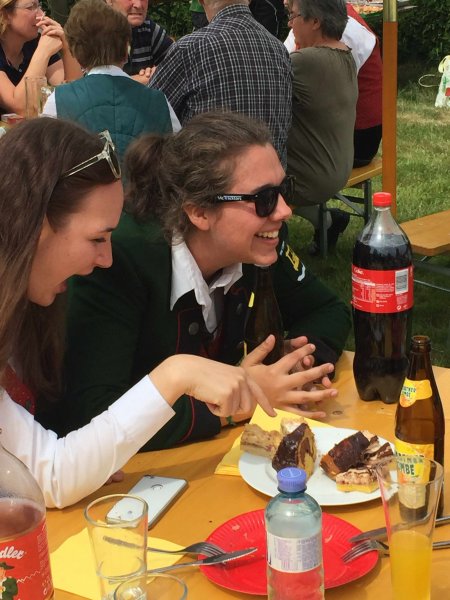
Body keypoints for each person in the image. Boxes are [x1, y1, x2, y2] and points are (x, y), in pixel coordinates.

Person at [0, 117, 275, 509]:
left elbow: (45, 445)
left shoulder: (27, 309)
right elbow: (50, 478)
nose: (106, 258)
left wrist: (94, 454)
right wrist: (177, 374)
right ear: (36, 226)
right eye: (97, 238)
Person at [64, 111, 351, 450]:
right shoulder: (119, 260)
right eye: (263, 199)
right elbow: (93, 414)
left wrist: (296, 366)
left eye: (282, 190)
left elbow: (329, 310)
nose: (284, 210)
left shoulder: (258, 244)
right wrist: (240, 402)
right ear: (199, 212)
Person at [149, 0, 292, 167]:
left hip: (210, 180)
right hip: (271, 179)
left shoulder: (190, 48)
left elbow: (146, 114)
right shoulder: (280, 50)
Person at [42, 0, 179, 160]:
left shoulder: (58, 100)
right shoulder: (159, 101)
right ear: (126, 51)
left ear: (76, 54)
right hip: (144, 176)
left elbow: (44, 160)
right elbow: (179, 157)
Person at [285, 0, 358, 255]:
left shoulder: (306, 61)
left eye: (293, 16)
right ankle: (326, 221)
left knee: (240, 171)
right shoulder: (345, 53)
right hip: (337, 169)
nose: (290, 24)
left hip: (311, 178)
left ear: (315, 21)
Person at [284, 3, 382, 168]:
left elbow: (324, 91)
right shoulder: (314, 13)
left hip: (357, 139)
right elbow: (286, 54)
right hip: (341, 133)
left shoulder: (342, 28)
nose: (284, 2)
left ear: (315, 22)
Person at [0, 0, 81, 115]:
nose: (41, 14)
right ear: (5, 15)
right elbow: (21, 107)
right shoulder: (42, 47)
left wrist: (66, 47)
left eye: (39, 6)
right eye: (31, 7)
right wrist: (43, 52)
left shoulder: (35, 43)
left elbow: (75, 94)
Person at [105, 0, 173, 85]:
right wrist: (144, 80)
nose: (139, 5)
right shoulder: (94, 33)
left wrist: (157, 72)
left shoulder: (149, 30)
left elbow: (178, 68)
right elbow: (94, 85)